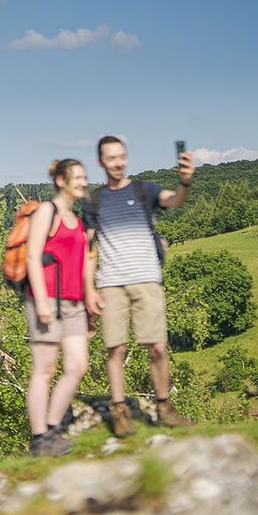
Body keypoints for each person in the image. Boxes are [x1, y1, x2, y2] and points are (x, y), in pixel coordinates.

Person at [83, 135, 194, 436]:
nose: (118, 162)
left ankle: (164, 408)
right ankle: (119, 412)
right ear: (101, 162)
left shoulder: (145, 189)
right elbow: (89, 250)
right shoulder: (93, 200)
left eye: (121, 156)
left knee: (158, 347)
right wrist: (89, 290)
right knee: (115, 348)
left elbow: (174, 201)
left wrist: (184, 183)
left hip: (147, 278)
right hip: (111, 284)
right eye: (111, 158)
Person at [25, 158, 90, 456]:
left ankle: (53, 427)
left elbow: (83, 264)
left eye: (84, 177)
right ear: (62, 181)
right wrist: (40, 302)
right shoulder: (46, 212)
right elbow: (32, 258)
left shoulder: (78, 221)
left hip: (74, 304)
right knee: (45, 369)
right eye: (77, 177)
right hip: (47, 300)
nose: (83, 182)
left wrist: (89, 305)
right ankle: (40, 438)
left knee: (77, 365)